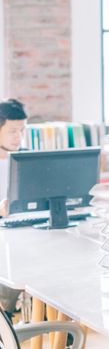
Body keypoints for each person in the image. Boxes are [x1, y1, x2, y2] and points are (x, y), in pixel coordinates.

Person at [0, 98, 27, 318]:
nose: (19, 137)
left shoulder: (26, 159)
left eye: (22, 130)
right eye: (12, 131)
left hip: (24, 231)